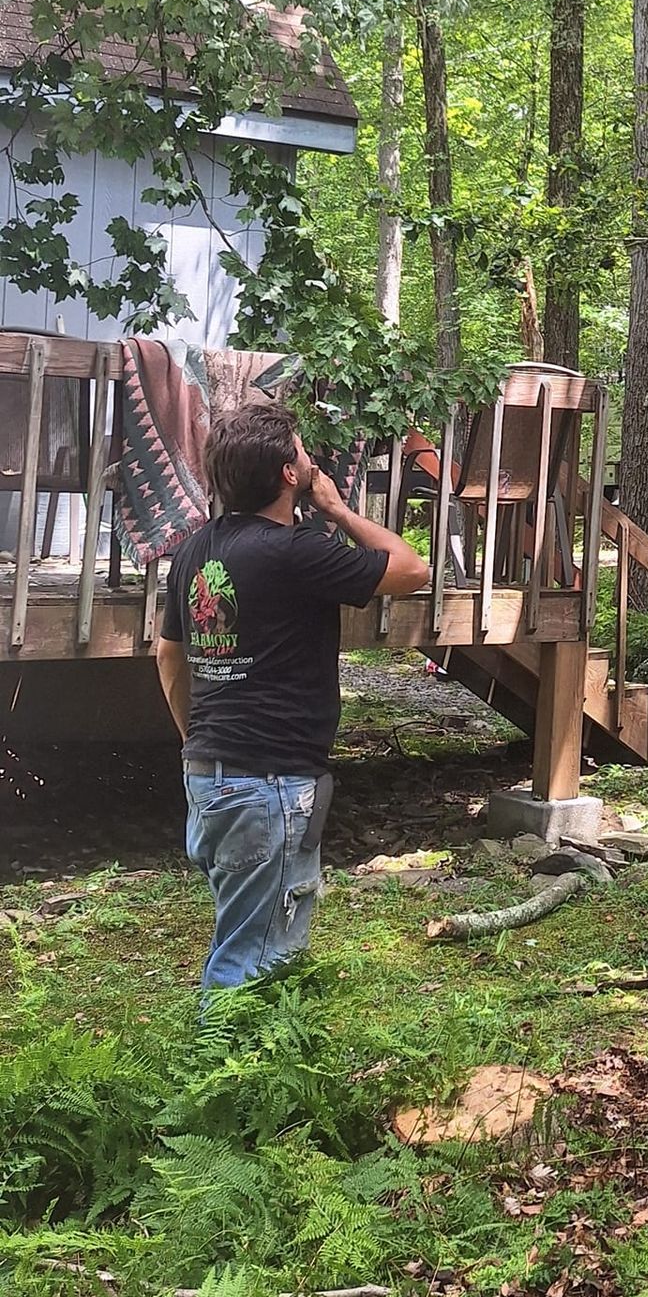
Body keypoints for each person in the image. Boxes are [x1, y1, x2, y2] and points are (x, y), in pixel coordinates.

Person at [155, 400, 431, 989]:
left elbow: (167, 654)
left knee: (249, 935)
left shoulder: (194, 551)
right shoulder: (295, 550)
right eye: (303, 450)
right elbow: (411, 568)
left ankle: (253, 1069)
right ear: (288, 473)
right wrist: (337, 508)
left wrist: (197, 741)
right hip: (269, 784)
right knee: (253, 960)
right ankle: (225, 1072)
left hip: (209, 774)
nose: (310, 459)